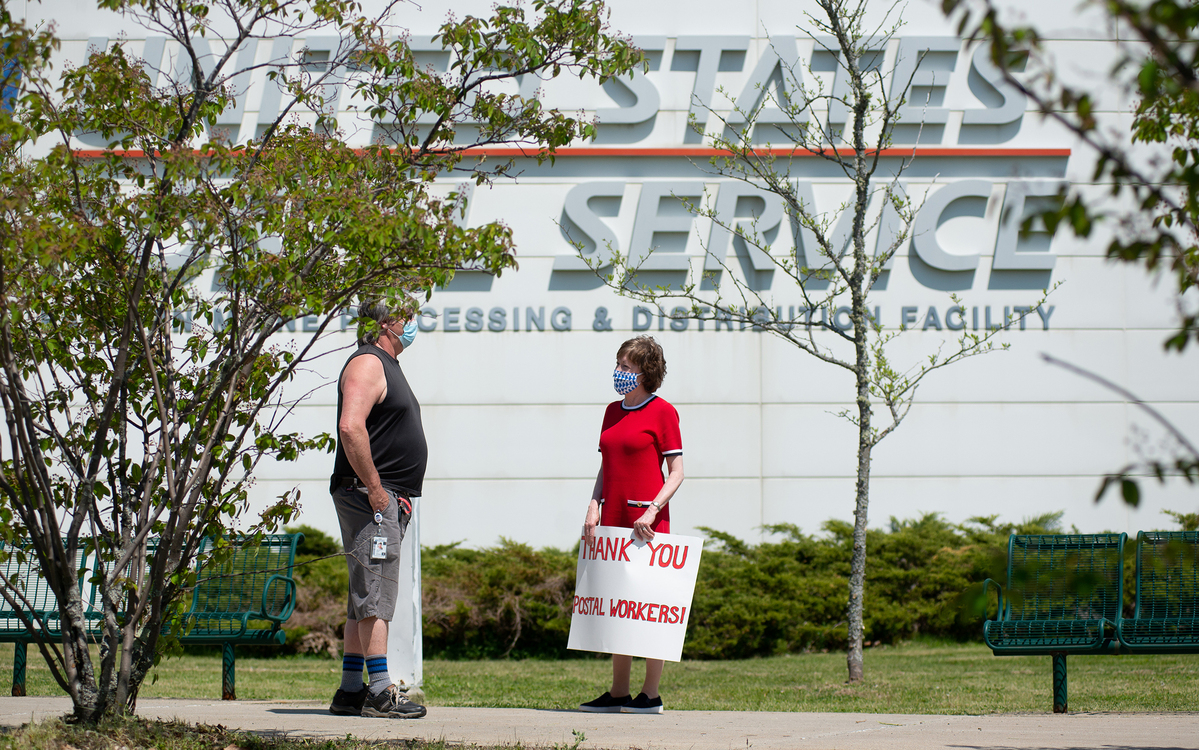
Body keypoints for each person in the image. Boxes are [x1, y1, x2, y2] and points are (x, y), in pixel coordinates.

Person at [327, 302, 428, 719]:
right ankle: (381, 691)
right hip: (374, 499)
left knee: (363, 593)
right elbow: (351, 426)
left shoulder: (384, 362)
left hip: (380, 496)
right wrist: (376, 491)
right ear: (387, 324)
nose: (413, 326)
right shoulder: (369, 362)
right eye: (407, 318)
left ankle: (352, 688)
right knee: (377, 592)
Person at [579, 335, 684, 715]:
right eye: (618, 365)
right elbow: (607, 465)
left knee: (649, 605)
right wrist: (594, 504)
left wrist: (653, 509)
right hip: (613, 518)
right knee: (617, 606)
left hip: (647, 522)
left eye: (626, 367)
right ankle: (618, 692)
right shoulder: (612, 410)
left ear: (645, 372)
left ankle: (650, 695)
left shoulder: (663, 412)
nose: (619, 372)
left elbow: (677, 472)